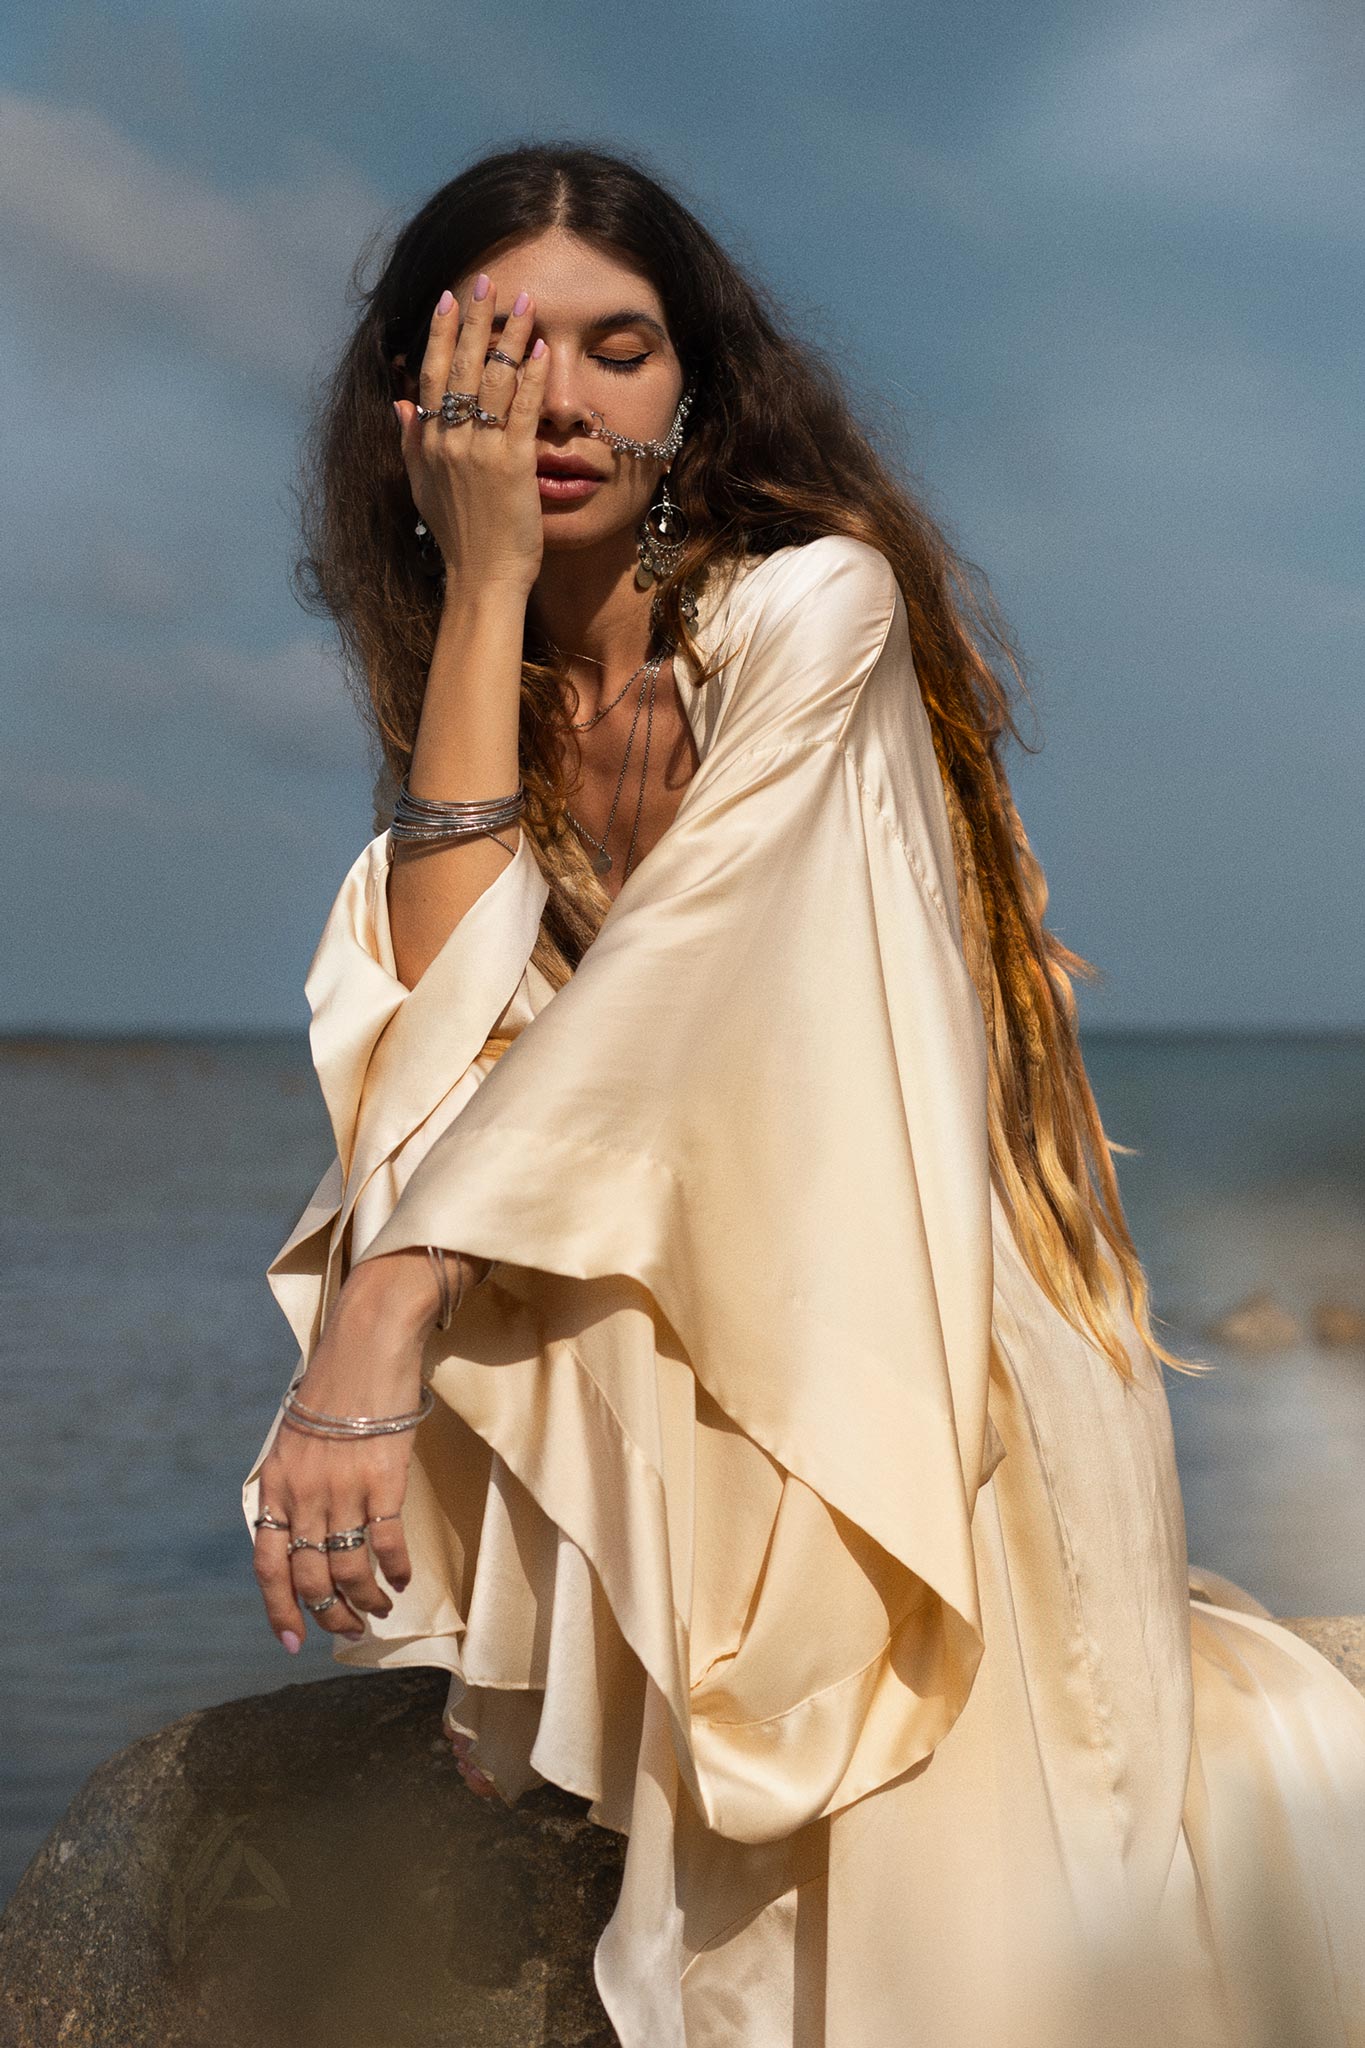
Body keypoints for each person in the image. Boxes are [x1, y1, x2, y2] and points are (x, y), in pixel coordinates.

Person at [240, 143, 1365, 2046]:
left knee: (968, 1943)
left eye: (623, 348)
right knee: (440, 1095)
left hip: (901, 1327)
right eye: (512, 347)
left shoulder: (805, 612)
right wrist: (484, 586)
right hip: (682, 1317)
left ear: (695, 390)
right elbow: (432, 1026)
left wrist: (384, 1303)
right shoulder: (493, 678)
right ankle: (592, 1664)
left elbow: (676, 1014)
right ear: (419, 393)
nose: (569, 401)